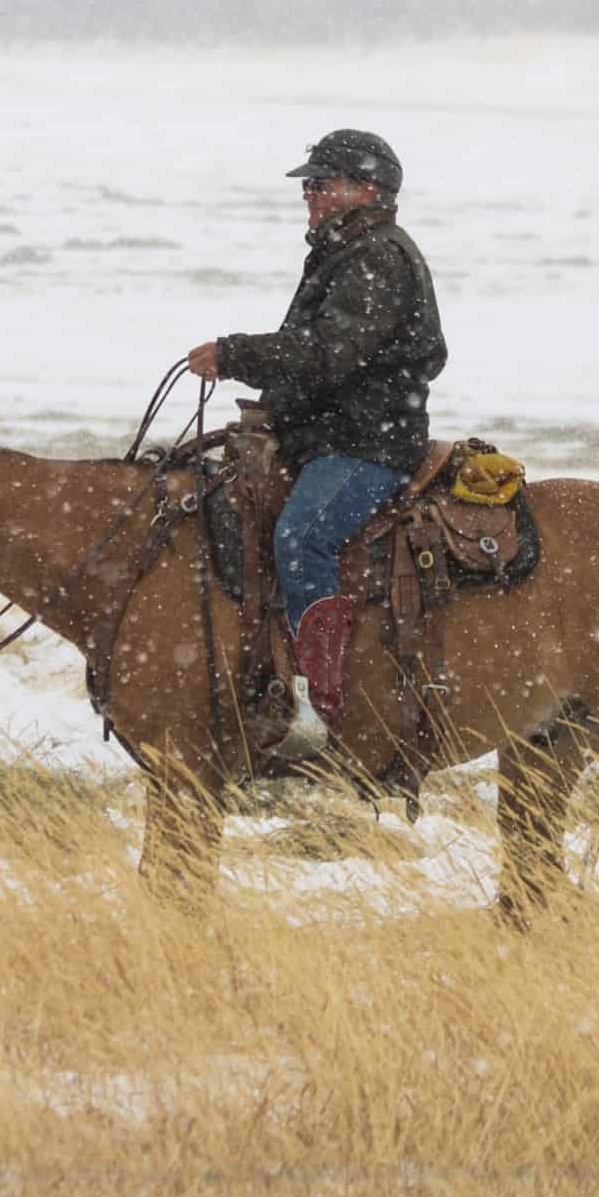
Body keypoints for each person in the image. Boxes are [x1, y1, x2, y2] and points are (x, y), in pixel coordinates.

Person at [186, 128, 446, 753]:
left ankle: (324, 697)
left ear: (367, 191)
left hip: (369, 445)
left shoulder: (378, 256)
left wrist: (236, 354)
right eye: (308, 184)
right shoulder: (344, 252)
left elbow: (331, 353)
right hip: (334, 436)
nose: (308, 195)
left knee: (302, 536)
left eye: (319, 184)